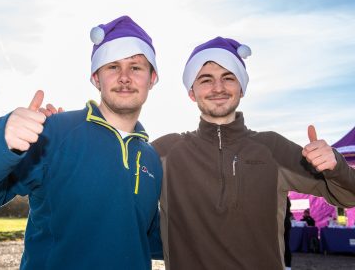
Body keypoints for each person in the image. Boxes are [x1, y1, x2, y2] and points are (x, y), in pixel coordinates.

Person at [0, 16, 163, 270]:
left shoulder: (150, 157)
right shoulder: (54, 132)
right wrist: (2, 141)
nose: (124, 77)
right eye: (112, 67)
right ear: (96, 78)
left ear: (152, 78)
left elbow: (148, 238)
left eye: (136, 67)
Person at [151, 36, 355, 269]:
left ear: (242, 88)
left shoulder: (273, 148)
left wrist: (336, 167)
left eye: (228, 78)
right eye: (206, 80)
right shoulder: (165, 151)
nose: (218, 87)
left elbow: (348, 196)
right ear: (191, 92)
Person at [284, 198, 292, 270]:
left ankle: (287, 266)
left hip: (284, 223)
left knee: (285, 245)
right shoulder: (286, 198)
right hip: (286, 222)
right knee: (285, 245)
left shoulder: (284, 198)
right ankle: (287, 266)